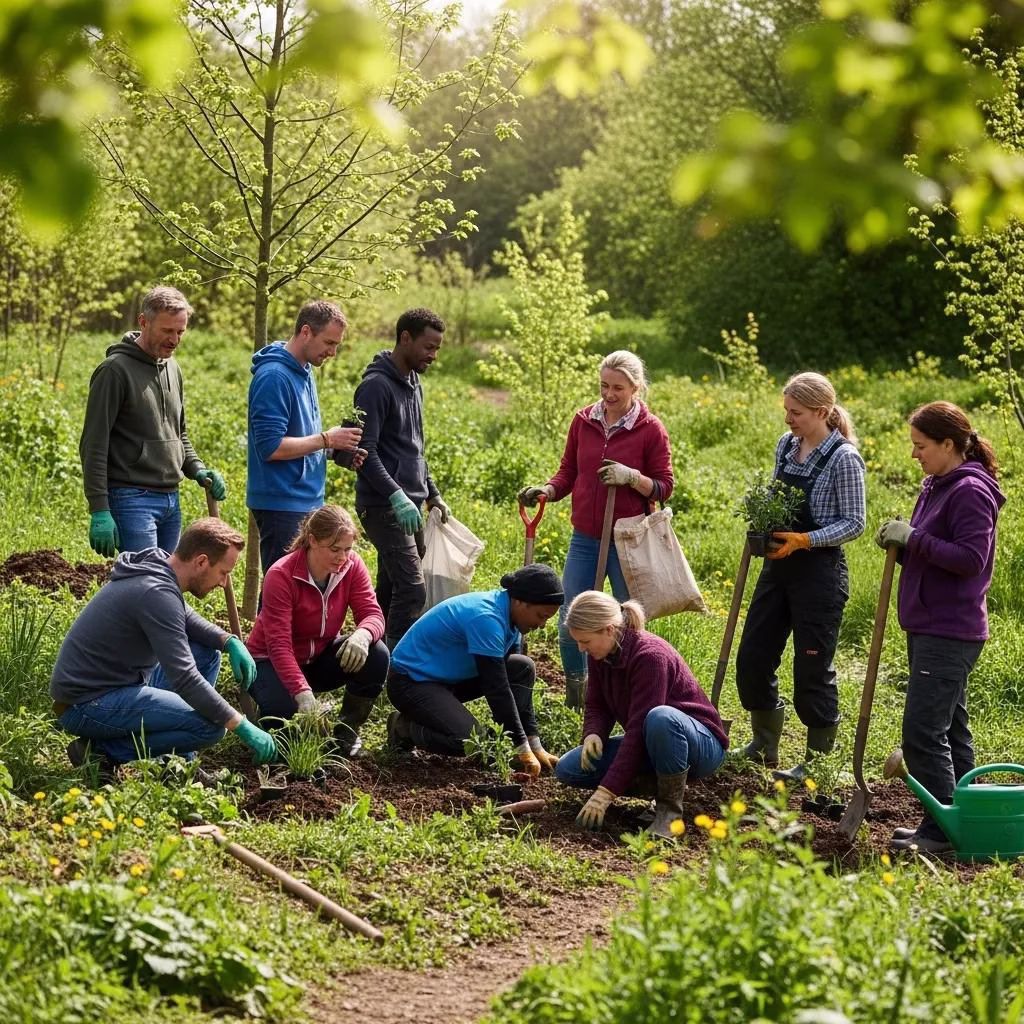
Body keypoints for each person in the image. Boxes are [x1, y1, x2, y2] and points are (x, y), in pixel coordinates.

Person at [50, 518, 277, 774]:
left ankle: (180, 760)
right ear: (201, 561)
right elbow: (185, 679)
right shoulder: (156, 593)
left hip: (114, 686)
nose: (224, 583)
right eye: (223, 573)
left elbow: (186, 616)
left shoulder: (160, 565)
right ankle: (100, 753)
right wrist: (241, 725)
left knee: (206, 653)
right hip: (87, 703)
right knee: (211, 727)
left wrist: (229, 641)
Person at [877, 402, 1004, 855]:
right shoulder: (938, 483)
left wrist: (913, 539)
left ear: (949, 445)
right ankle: (959, 822)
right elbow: (935, 549)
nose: (915, 454)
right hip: (929, 624)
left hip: (951, 630)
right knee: (950, 729)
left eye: (921, 445)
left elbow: (971, 560)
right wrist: (903, 541)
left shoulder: (970, 491)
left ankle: (940, 828)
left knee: (922, 731)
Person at [518, 350, 673, 708]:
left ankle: (626, 695)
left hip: (628, 540)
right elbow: (568, 471)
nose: (608, 394)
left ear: (636, 387)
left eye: (618, 387)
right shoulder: (584, 420)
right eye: (604, 385)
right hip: (586, 537)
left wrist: (632, 478)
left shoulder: (650, 429)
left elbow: (664, 486)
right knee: (572, 618)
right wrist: (549, 490)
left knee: (625, 622)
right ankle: (579, 697)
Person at [734, 371, 866, 780]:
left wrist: (805, 539)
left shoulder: (843, 458)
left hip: (819, 575)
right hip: (778, 568)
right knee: (753, 656)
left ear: (823, 412)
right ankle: (764, 746)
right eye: (787, 411)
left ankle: (819, 762)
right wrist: (763, 521)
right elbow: (777, 496)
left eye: (798, 412)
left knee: (811, 669)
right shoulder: (786, 446)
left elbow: (855, 522)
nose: (789, 419)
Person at [555, 591, 728, 837]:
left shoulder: (650, 657)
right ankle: (659, 785)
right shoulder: (601, 653)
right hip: (653, 741)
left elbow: (638, 729)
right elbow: (596, 703)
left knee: (660, 717)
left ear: (608, 629)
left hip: (700, 746)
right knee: (568, 768)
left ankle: (668, 812)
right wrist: (593, 733)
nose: (582, 649)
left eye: (585, 641)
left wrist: (606, 793)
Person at [80, 285, 225, 557]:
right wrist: (99, 509)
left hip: (171, 499)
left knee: (160, 584)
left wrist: (198, 469)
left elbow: (178, 434)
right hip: (131, 498)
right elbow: (94, 444)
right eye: (167, 331)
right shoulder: (114, 371)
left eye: (180, 331)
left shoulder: (173, 368)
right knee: (144, 583)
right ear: (144, 322)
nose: (175, 339)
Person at [386, 564, 563, 775]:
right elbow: (497, 688)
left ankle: (494, 738)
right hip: (410, 682)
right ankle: (403, 728)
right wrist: (521, 747)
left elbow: (509, 684)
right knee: (470, 741)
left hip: (445, 681)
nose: (542, 625)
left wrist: (534, 743)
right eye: (541, 616)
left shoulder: (510, 616)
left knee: (522, 667)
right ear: (520, 602)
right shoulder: (486, 619)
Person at [246, 505, 389, 757]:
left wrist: (363, 634)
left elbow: (372, 613)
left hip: (316, 658)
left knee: (376, 653)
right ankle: (273, 708)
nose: (342, 557)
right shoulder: (281, 575)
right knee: (285, 733)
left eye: (348, 549)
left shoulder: (351, 566)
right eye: (334, 549)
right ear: (312, 540)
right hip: (268, 662)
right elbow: (278, 645)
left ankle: (347, 731)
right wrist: (302, 694)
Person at [354, 307, 449, 650]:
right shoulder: (375, 387)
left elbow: (415, 449)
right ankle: (397, 668)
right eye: (428, 346)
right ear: (405, 338)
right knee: (412, 587)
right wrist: (396, 495)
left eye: (437, 348)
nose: (433, 355)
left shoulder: (413, 383)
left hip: (410, 503)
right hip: (382, 505)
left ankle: (372, 652)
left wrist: (432, 493)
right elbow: (365, 453)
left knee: (392, 585)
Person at [247, 300, 364, 574]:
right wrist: (326, 439)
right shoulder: (274, 376)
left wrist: (335, 450)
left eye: (337, 345)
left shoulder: (305, 370)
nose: (333, 352)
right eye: (329, 342)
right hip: (281, 502)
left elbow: (301, 437)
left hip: (306, 499)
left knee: (300, 589)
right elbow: (271, 447)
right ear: (306, 332)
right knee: (282, 589)